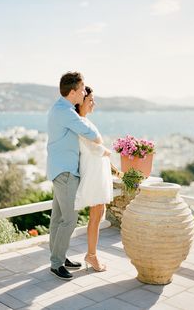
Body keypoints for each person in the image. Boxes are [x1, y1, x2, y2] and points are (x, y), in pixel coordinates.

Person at [47, 72, 101, 281]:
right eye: (81, 90)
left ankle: (58, 257)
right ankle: (56, 263)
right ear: (72, 92)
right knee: (69, 219)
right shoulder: (67, 113)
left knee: (58, 219)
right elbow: (93, 136)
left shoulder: (60, 108)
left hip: (59, 170)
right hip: (66, 172)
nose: (83, 92)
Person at [74, 86, 113, 272]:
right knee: (96, 215)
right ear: (81, 102)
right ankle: (92, 255)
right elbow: (94, 148)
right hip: (93, 174)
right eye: (90, 100)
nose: (93, 103)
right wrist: (107, 151)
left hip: (98, 172)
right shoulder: (80, 123)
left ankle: (92, 254)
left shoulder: (85, 121)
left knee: (98, 213)